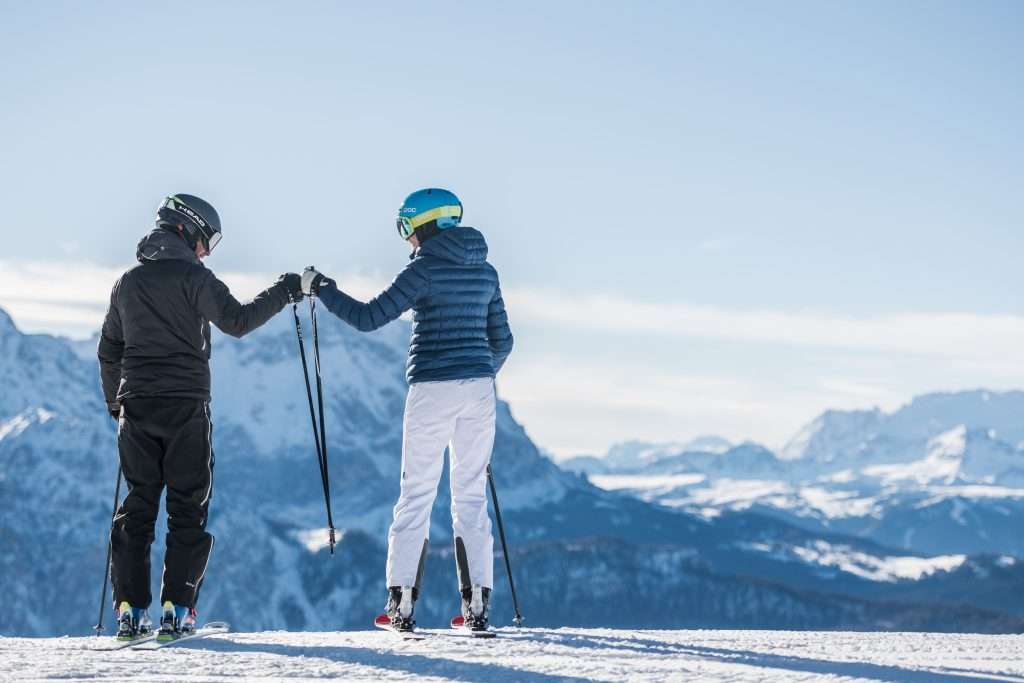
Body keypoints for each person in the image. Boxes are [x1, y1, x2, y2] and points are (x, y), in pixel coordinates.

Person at [301, 188, 513, 632]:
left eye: (404, 227)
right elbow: (504, 341)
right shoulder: (486, 271)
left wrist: (323, 289)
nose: (405, 239)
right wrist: (476, 372)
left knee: (416, 495)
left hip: (432, 389)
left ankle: (402, 605)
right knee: (470, 497)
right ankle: (477, 609)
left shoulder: (424, 270)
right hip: (479, 390)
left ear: (422, 224)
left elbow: (368, 318)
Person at [97, 194, 304, 641]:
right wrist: (285, 291)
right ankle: (179, 608)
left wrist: (117, 404)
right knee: (187, 509)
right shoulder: (196, 278)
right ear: (187, 230)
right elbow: (237, 321)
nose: (207, 251)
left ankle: (130, 610)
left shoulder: (126, 284)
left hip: (136, 408)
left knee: (138, 507)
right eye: (207, 240)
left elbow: (109, 350)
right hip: (187, 407)